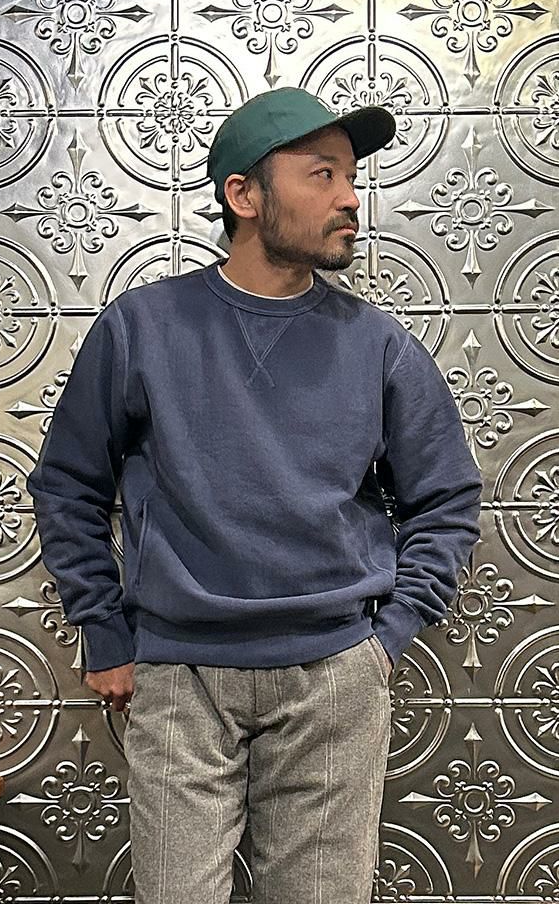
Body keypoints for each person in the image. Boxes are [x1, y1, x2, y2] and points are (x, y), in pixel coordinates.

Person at [26, 85, 484, 904]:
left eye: (351, 177)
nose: (351, 199)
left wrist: (386, 640)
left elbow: (445, 499)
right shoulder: (143, 328)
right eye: (322, 174)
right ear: (243, 195)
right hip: (180, 676)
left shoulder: (378, 344)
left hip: (334, 677)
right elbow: (68, 483)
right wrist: (104, 629)